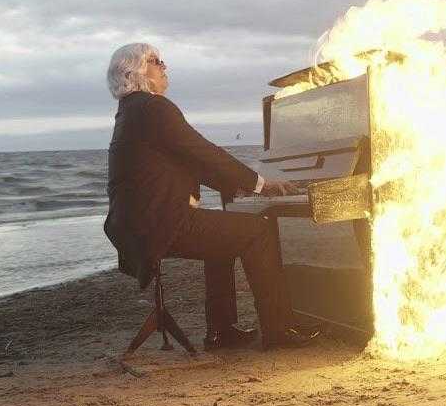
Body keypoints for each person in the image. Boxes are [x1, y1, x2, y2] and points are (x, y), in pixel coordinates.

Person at [103, 42, 320, 350]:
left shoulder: (131, 111)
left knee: (223, 238)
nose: (164, 66)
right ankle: (279, 330)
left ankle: (221, 331)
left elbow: (193, 163)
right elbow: (203, 153)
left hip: (136, 225)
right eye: (156, 61)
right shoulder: (153, 108)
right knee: (258, 231)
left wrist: (243, 187)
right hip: (160, 223)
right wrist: (261, 185)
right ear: (134, 71)